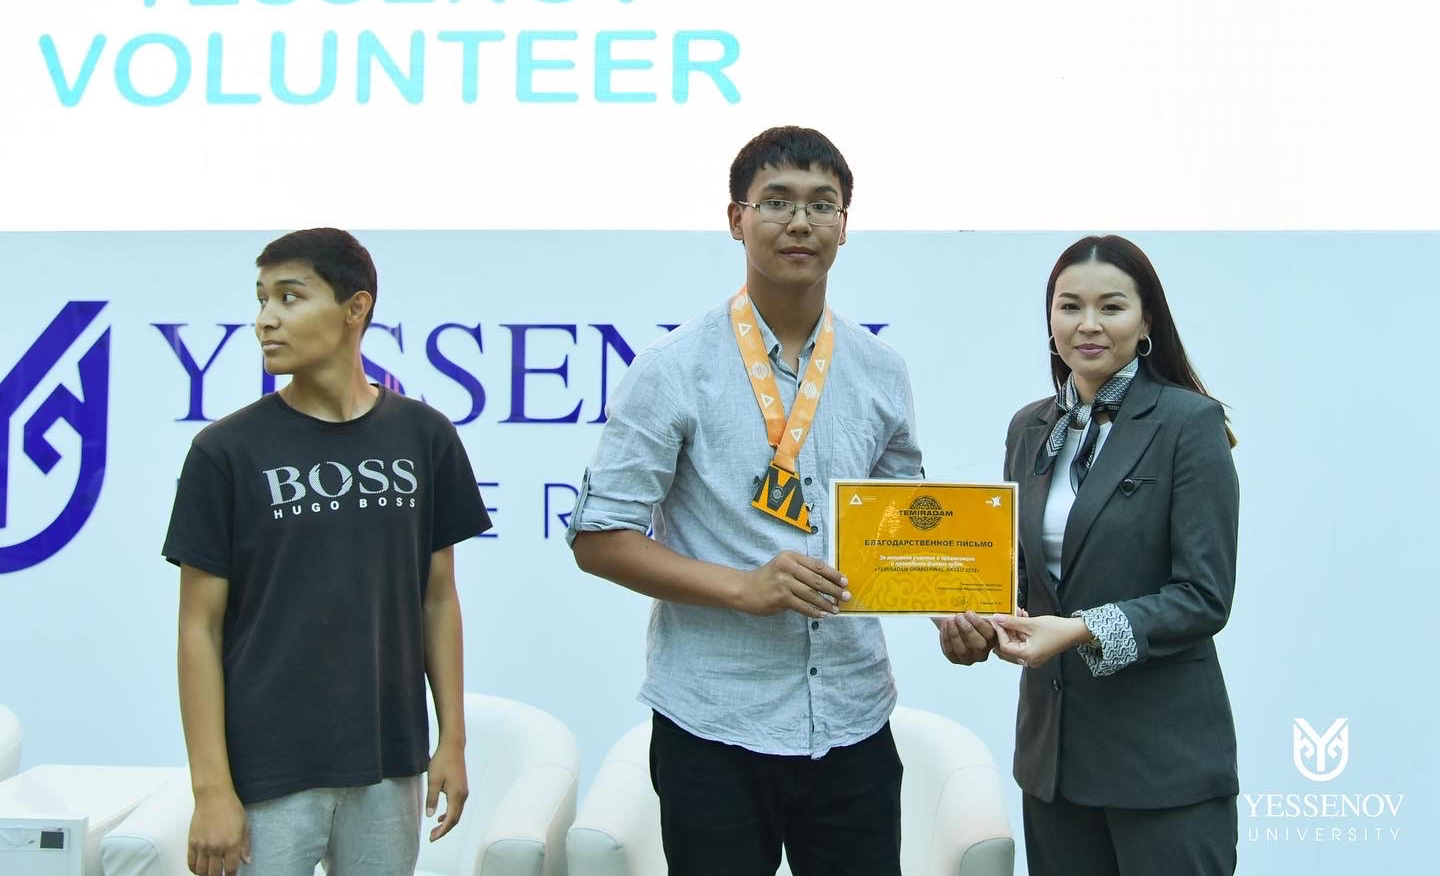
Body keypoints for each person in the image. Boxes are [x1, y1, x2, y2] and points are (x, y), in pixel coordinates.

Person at [568, 126, 922, 876]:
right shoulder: (673, 368)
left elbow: (904, 532)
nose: (800, 223)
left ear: (844, 226)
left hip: (854, 717)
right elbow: (599, 537)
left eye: (822, 205)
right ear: (737, 219)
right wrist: (742, 588)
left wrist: (955, 603)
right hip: (714, 724)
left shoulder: (881, 370)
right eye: (777, 202)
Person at [163, 228, 492, 876]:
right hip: (265, 771)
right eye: (261, 299)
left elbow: (437, 599)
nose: (266, 319)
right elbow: (198, 628)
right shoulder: (224, 452)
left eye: (289, 297)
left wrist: (451, 739)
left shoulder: (425, 436)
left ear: (354, 309)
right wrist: (211, 790)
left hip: (389, 763)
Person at [938, 234, 1239, 875]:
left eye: (1112, 307)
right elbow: (1022, 580)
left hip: (1163, 764)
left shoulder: (1190, 423)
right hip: (1054, 764)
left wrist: (1079, 631)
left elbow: (1203, 597)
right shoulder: (1029, 427)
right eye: (1070, 306)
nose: (1089, 324)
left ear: (1147, 320)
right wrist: (975, 624)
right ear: (1050, 319)